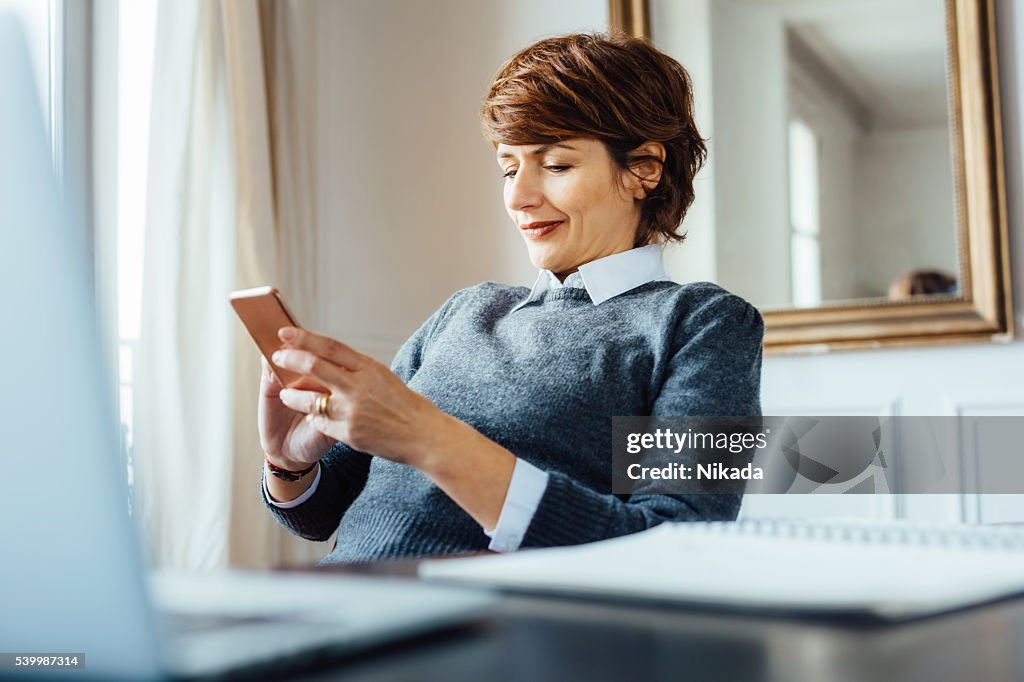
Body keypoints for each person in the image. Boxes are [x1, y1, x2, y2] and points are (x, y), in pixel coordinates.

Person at [259, 33, 764, 564]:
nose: (519, 196)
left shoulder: (704, 325)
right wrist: (288, 463)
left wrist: (429, 438)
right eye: (508, 167)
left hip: (489, 628)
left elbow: (678, 544)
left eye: (556, 165)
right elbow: (323, 514)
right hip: (342, 606)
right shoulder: (466, 311)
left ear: (644, 169)